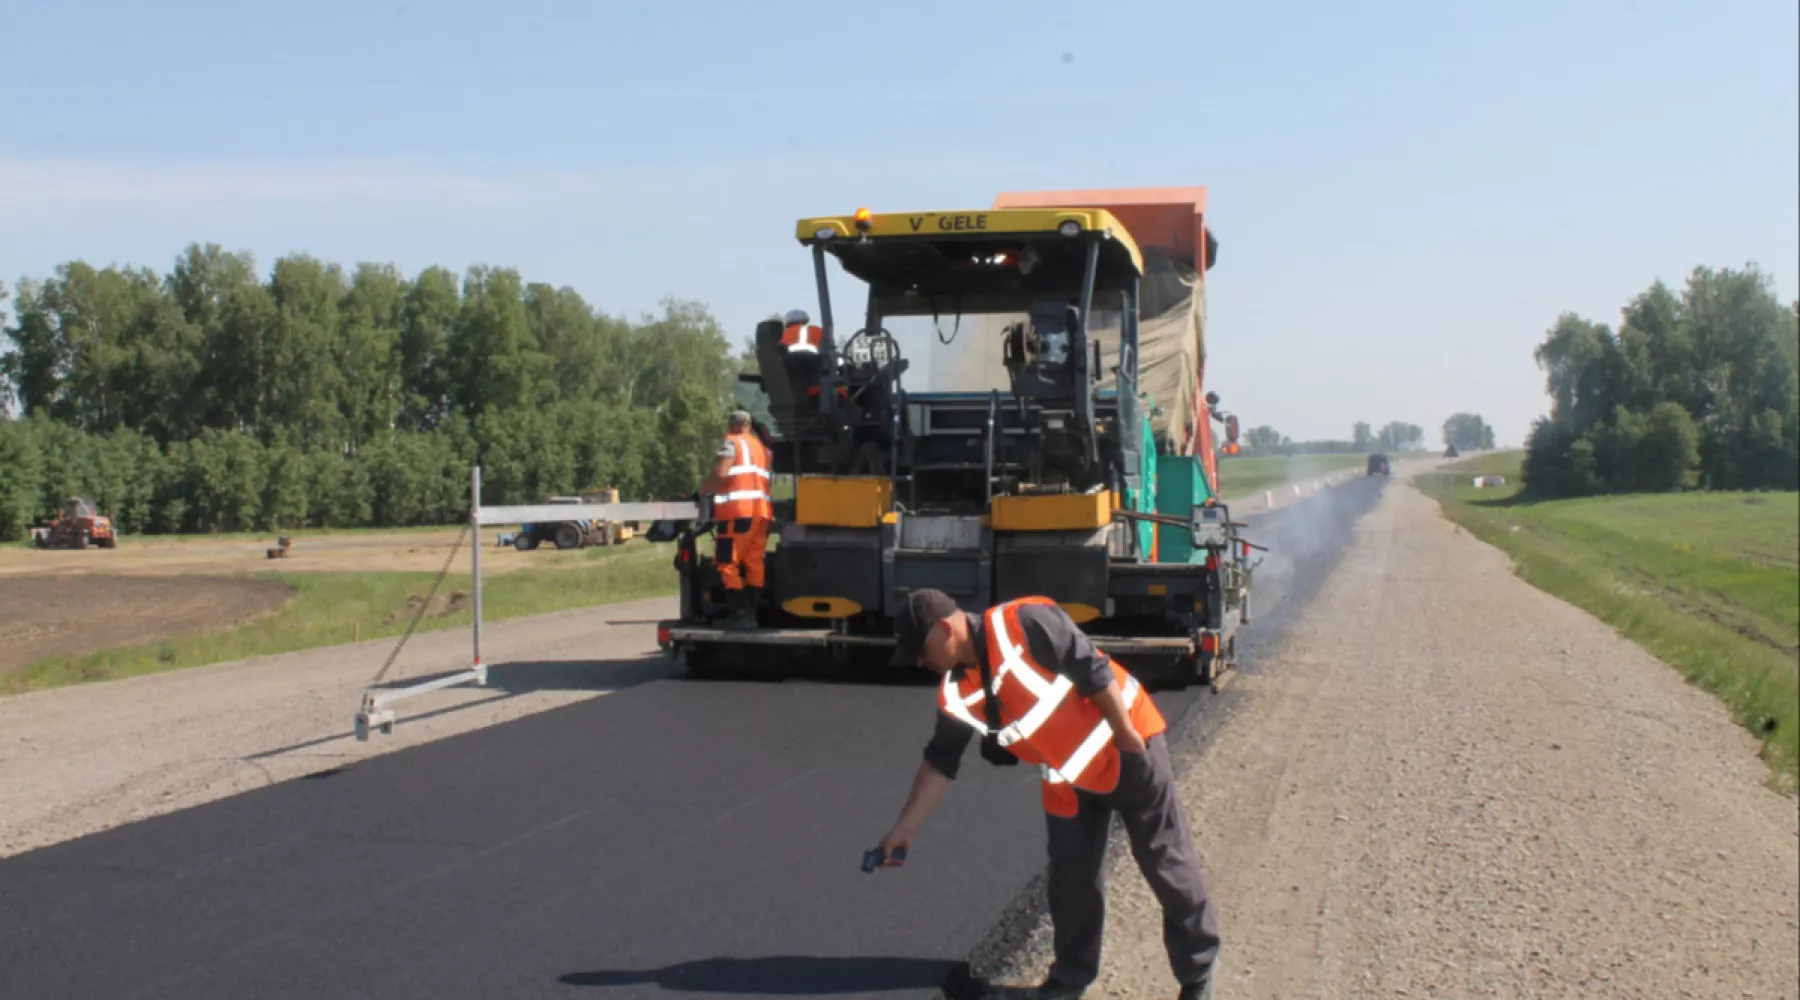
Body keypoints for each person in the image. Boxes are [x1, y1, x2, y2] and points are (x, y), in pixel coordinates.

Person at [876, 589, 1219, 1000]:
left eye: (920, 649)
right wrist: (904, 828)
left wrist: (1129, 740)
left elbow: (1093, 671)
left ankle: (1196, 976)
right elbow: (940, 762)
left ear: (947, 628)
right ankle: (1069, 982)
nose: (919, 661)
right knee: (1070, 884)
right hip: (1067, 779)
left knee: (1166, 864)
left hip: (1126, 750)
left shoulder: (1025, 623)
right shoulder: (956, 692)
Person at [697, 410, 773, 630]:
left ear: (732, 425)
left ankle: (740, 614)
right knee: (754, 561)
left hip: (737, 512)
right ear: (749, 425)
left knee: (727, 561)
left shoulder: (730, 442)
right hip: (761, 513)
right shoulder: (762, 449)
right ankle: (752, 614)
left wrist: (701, 491)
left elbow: (721, 473)